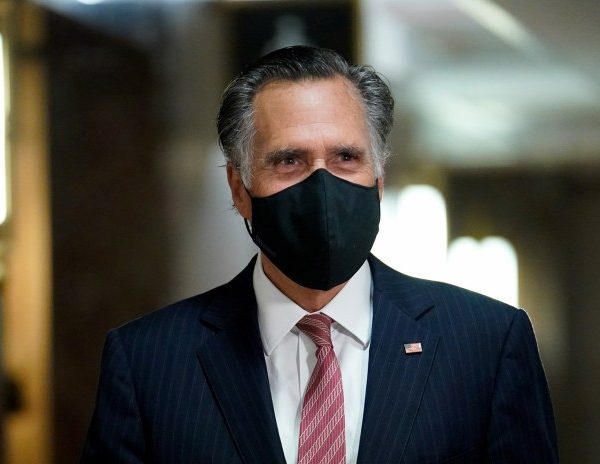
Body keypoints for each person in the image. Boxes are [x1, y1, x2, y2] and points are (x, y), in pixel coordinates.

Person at [81, 46, 558, 463]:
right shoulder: (148, 362)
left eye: (346, 158)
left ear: (378, 180)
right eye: (289, 160)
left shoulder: (486, 344)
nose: (322, 187)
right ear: (239, 188)